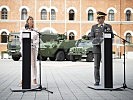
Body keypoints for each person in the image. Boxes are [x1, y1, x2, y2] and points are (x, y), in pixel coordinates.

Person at [89, 11, 113, 86]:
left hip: (106, 49)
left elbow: (111, 36)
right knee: (96, 66)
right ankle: (97, 80)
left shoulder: (108, 26)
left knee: (107, 65)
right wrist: (97, 42)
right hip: (97, 49)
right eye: (98, 18)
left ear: (103, 18)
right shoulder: (94, 27)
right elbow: (91, 37)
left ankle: (106, 80)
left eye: (100, 18)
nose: (99, 20)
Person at [19, 16, 39, 85]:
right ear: (27, 21)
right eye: (30, 20)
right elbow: (20, 39)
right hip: (25, 49)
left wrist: (32, 42)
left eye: (32, 20)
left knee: (33, 64)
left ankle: (34, 79)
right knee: (25, 64)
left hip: (33, 49)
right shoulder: (23, 30)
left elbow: (37, 40)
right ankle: (23, 79)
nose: (31, 21)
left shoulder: (35, 30)